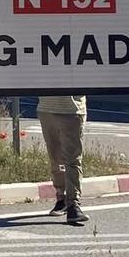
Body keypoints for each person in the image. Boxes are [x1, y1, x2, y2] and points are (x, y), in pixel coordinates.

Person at [38, 93, 88, 226]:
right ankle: (61, 197)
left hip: (71, 109)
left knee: (72, 159)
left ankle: (73, 204)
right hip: (46, 108)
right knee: (55, 157)